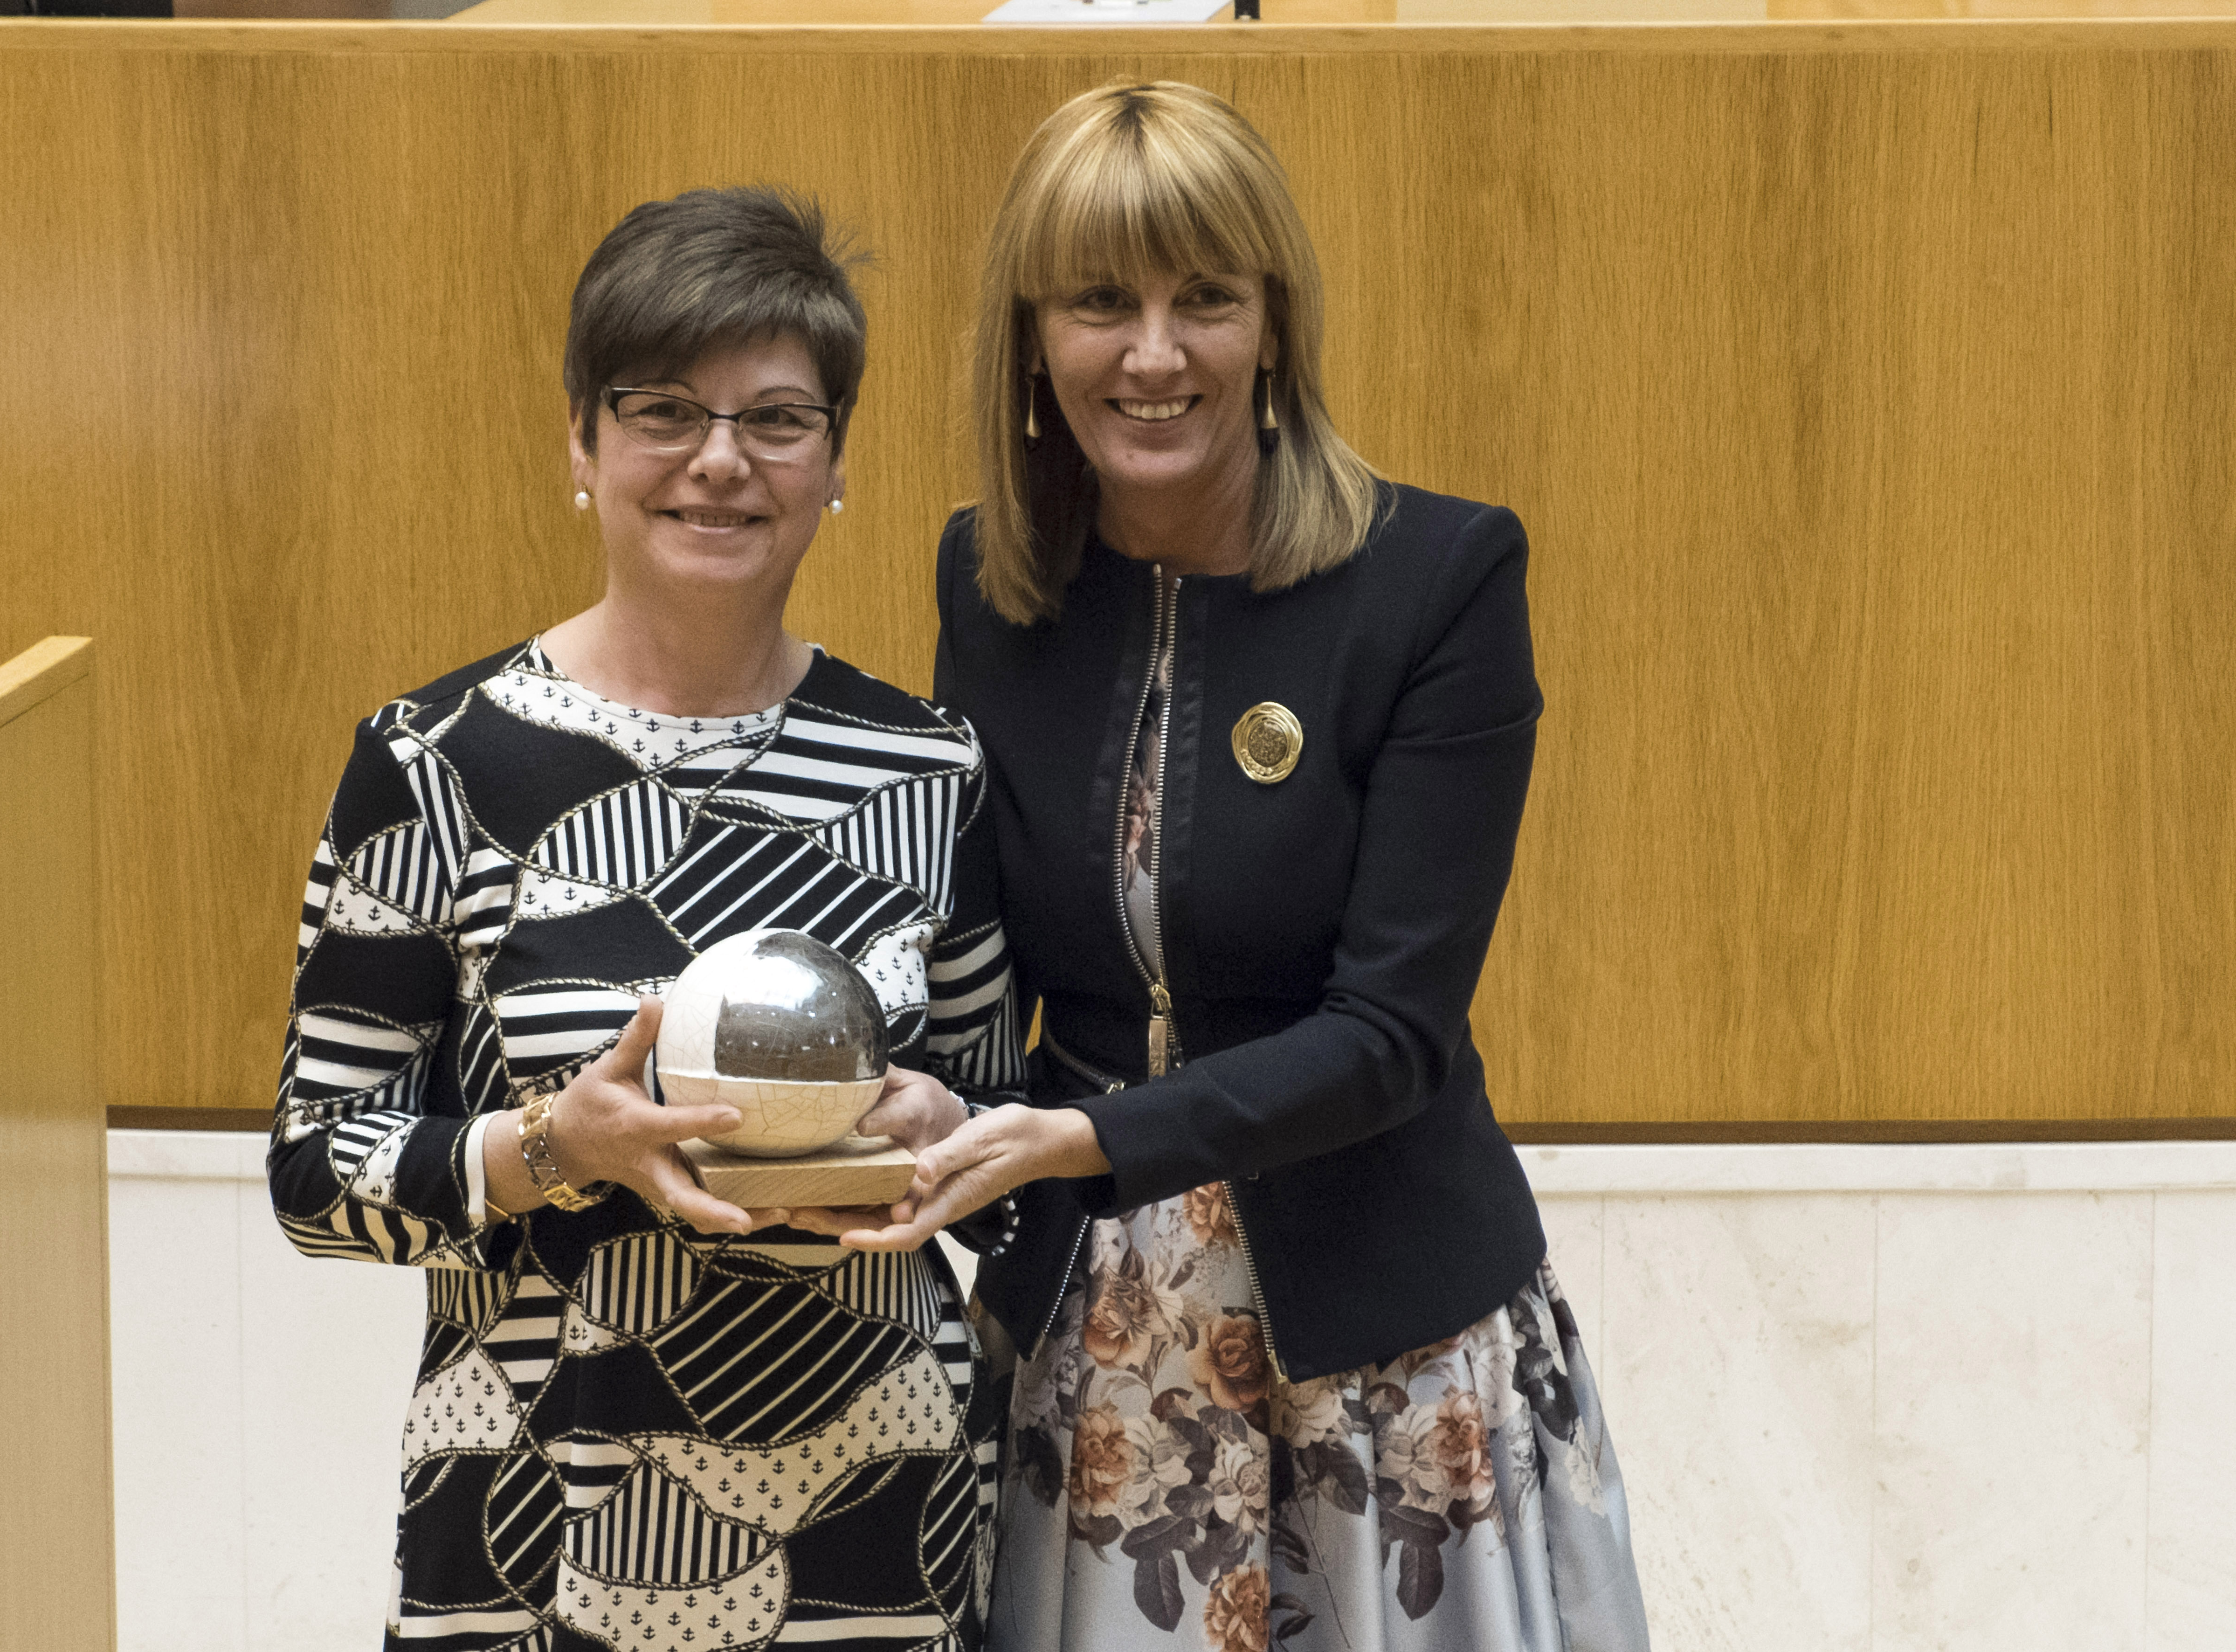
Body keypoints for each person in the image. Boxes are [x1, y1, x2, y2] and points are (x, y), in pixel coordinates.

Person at [847, 84, 1653, 1652]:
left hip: (1388, 1347)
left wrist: (1080, 1136)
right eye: (1102, 302)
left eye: (1205, 297)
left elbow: (1395, 1034)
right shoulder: (988, 577)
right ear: (1032, 336)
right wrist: (920, 1105)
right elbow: (975, 952)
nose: (1156, 356)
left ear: (1274, 324)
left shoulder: (1441, 579)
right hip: (1088, 1339)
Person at [268, 186, 1021, 1652]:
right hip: (540, 1513)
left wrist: (946, 1130)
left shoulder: (932, 767)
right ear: (582, 441)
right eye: (664, 409)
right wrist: (558, 1146)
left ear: (836, 460)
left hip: (879, 1524)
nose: (720, 464)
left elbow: (1008, 1125)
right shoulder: (436, 763)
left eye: (778, 418)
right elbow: (315, 1172)